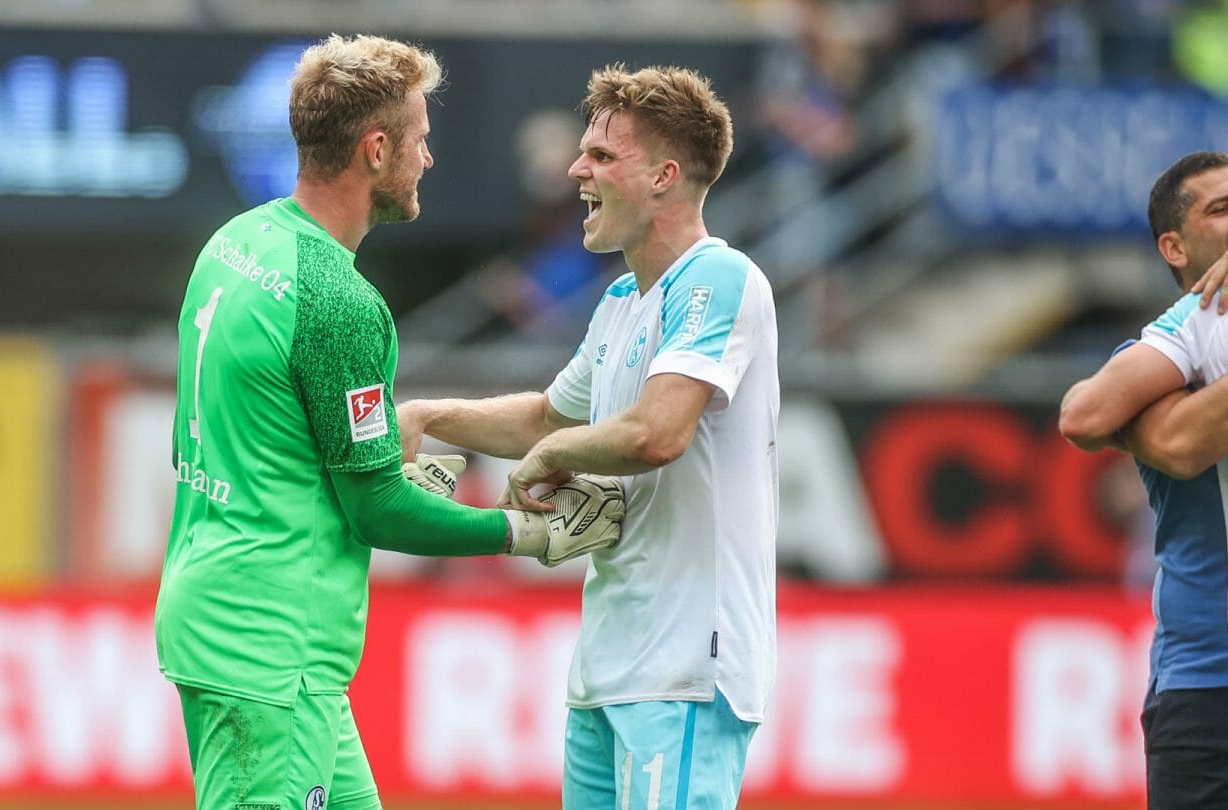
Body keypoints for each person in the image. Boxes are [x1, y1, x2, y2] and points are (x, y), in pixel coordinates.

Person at [152, 35, 623, 810]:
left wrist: (372, 474)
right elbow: (377, 510)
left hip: (256, 637)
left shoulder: (234, 244)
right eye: (421, 140)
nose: (429, 160)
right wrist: (527, 533)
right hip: (269, 652)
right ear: (376, 150)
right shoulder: (338, 301)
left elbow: (229, 438)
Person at [398, 64, 778, 810]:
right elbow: (546, 417)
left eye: (603, 156)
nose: (577, 170)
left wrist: (552, 457)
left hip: (686, 671)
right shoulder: (619, 302)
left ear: (666, 176)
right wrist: (428, 416)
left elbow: (658, 431)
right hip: (611, 665)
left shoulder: (720, 278)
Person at [1059, 150, 1228, 809]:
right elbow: (1086, 416)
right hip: (1210, 683)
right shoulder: (1179, 344)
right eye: (1219, 209)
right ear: (1173, 245)